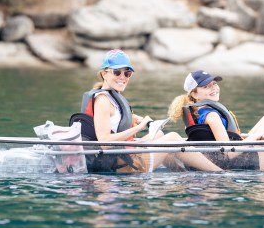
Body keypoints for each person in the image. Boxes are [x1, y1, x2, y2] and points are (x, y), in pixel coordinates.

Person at [70, 50, 222, 173]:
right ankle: (219, 173)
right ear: (104, 73)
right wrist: (139, 127)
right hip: (123, 166)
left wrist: (134, 120)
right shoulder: (103, 100)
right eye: (117, 72)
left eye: (127, 73)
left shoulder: (111, 97)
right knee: (173, 138)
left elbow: (115, 121)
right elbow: (104, 142)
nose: (123, 77)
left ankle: (182, 174)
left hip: (123, 157)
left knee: (159, 134)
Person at [168, 69, 264, 171]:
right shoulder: (212, 116)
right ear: (194, 94)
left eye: (214, 84)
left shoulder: (196, 112)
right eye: (206, 86)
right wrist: (254, 137)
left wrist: (244, 137)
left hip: (216, 159)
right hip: (238, 163)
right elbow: (229, 152)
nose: (214, 88)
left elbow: (212, 139)